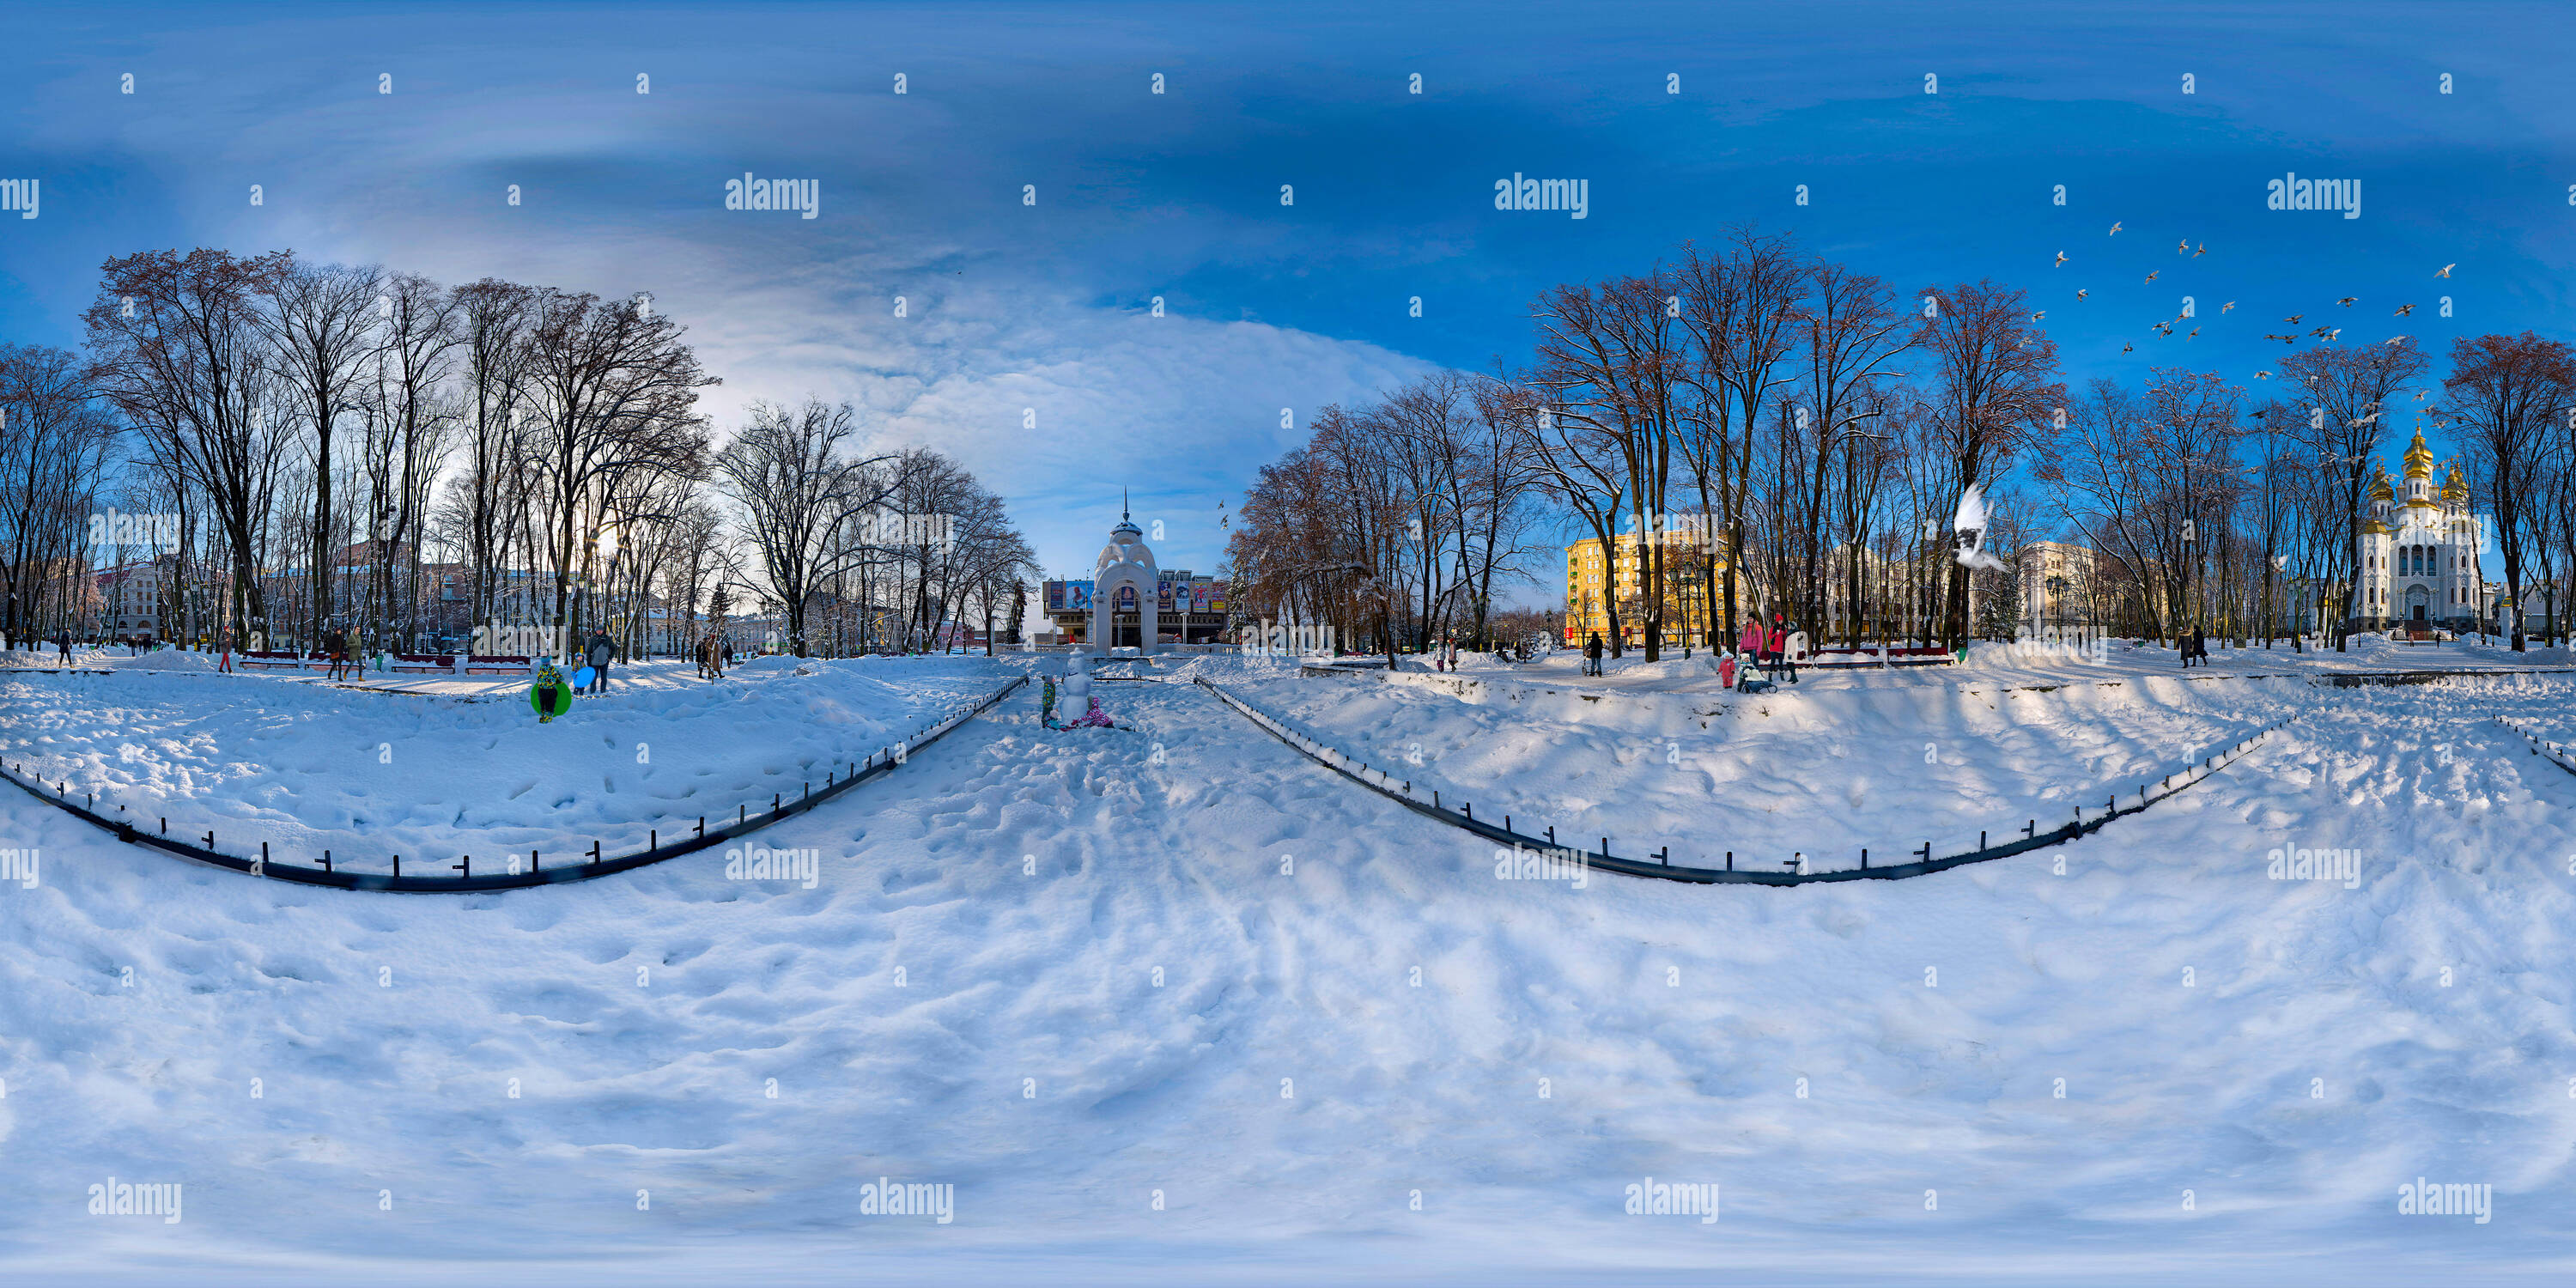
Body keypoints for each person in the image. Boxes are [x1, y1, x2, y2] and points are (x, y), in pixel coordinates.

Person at [585, 629, 615, 694]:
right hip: (594, 662)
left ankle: (603, 691)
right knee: (593, 678)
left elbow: (614, 648)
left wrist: (610, 657)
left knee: (604, 678)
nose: (599, 631)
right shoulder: (593, 639)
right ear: (595, 631)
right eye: (598, 630)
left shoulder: (607, 639)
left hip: (604, 662)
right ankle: (592, 692)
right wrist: (589, 661)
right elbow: (589, 651)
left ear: (603, 631)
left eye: (601, 630)